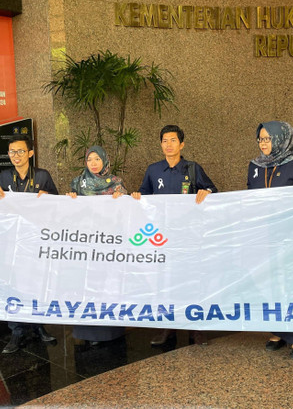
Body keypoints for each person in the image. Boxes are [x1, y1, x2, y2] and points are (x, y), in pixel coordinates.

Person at [132, 124, 218, 346]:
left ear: (182, 144)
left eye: (173, 140)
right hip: (161, 236)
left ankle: (196, 328)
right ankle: (166, 327)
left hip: (189, 235)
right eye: (164, 141)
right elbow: (144, 196)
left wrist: (205, 191)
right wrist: (134, 196)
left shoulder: (192, 168)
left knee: (192, 279)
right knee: (164, 280)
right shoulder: (153, 170)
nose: (168, 145)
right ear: (160, 144)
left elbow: (213, 191)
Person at [247, 120, 293, 359]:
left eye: (268, 138)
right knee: (270, 283)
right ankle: (277, 331)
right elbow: (248, 197)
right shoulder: (255, 165)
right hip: (265, 236)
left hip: (292, 235)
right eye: (261, 139)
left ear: (281, 138)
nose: (264, 143)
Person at [0, 134, 58, 353]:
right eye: (12, 152)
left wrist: (48, 196)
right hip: (13, 241)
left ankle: (39, 327)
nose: (16, 156)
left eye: (20, 151)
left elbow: (59, 203)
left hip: (37, 238)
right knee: (14, 284)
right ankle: (17, 332)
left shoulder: (42, 175)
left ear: (30, 153)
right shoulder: (4, 176)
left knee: (37, 283)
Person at [66, 145, 127, 345]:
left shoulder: (117, 183)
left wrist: (123, 200)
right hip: (85, 244)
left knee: (107, 284)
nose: (93, 163)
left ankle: (109, 332)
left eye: (97, 159)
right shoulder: (77, 183)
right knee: (86, 285)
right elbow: (69, 214)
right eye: (89, 159)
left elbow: (127, 213)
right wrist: (70, 200)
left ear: (105, 161)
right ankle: (86, 333)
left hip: (109, 244)